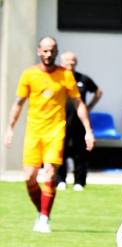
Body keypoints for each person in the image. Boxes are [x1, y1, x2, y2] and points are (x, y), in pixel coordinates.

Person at [3, 36, 95, 234]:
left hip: (56, 130)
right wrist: (10, 128)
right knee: (29, 177)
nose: (48, 54)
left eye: (52, 50)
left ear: (56, 51)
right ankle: (42, 211)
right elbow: (18, 103)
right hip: (33, 131)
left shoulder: (65, 75)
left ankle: (44, 218)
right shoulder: (29, 74)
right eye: (44, 50)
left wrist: (88, 130)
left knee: (51, 174)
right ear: (39, 51)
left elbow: (79, 103)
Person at [55, 51, 101, 192]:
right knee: (59, 151)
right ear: (62, 62)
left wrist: (90, 106)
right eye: (68, 60)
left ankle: (79, 182)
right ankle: (60, 180)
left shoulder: (83, 78)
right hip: (60, 121)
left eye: (73, 60)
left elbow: (98, 92)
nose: (71, 62)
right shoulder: (57, 78)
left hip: (79, 122)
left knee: (80, 153)